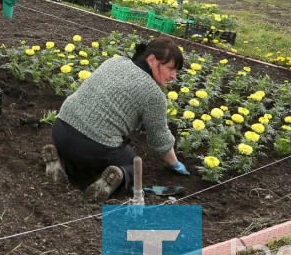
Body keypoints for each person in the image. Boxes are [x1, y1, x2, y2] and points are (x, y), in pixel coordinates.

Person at [42, 37, 190, 202]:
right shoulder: (153, 94)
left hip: (60, 130)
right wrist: (175, 164)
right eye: (170, 68)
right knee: (133, 164)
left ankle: (62, 163)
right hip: (93, 147)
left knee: (82, 151)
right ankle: (115, 176)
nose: (174, 76)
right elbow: (159, 142)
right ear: (151, 60)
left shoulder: (115, 61)